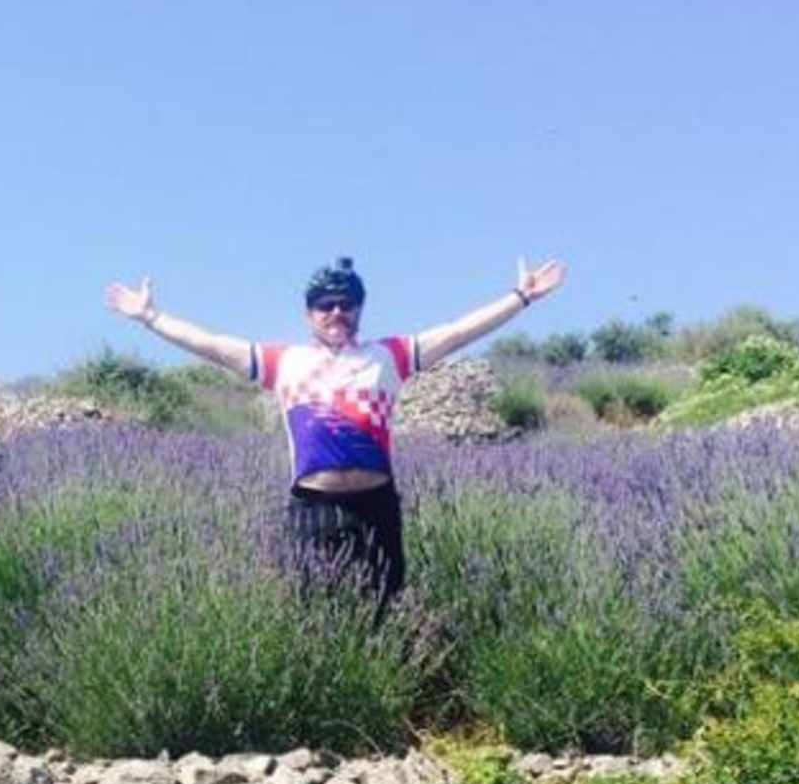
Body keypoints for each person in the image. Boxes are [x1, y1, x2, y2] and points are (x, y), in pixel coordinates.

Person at [104, 254, 567, 614]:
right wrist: (150, 316)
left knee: (384, 609)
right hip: (313, 506)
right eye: (325, 305)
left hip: (376, 505)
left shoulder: (390, 356)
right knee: (313, 610)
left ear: (360, 310)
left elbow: (458, 333)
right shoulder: (283, 362)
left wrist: (520, 297)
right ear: (310, 314)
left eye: (346, 304)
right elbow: (211, 346)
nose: (337, 312)